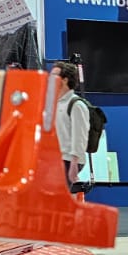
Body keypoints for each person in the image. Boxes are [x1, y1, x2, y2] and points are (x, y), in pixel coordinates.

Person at [52, 61, 92, 190]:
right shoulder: (56, 103)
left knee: (57, 195)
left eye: (54, 76)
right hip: (57, 158)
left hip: (68, 160)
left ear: (65, 80)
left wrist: (74, 163)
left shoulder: (76, 105)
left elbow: (80, 137)